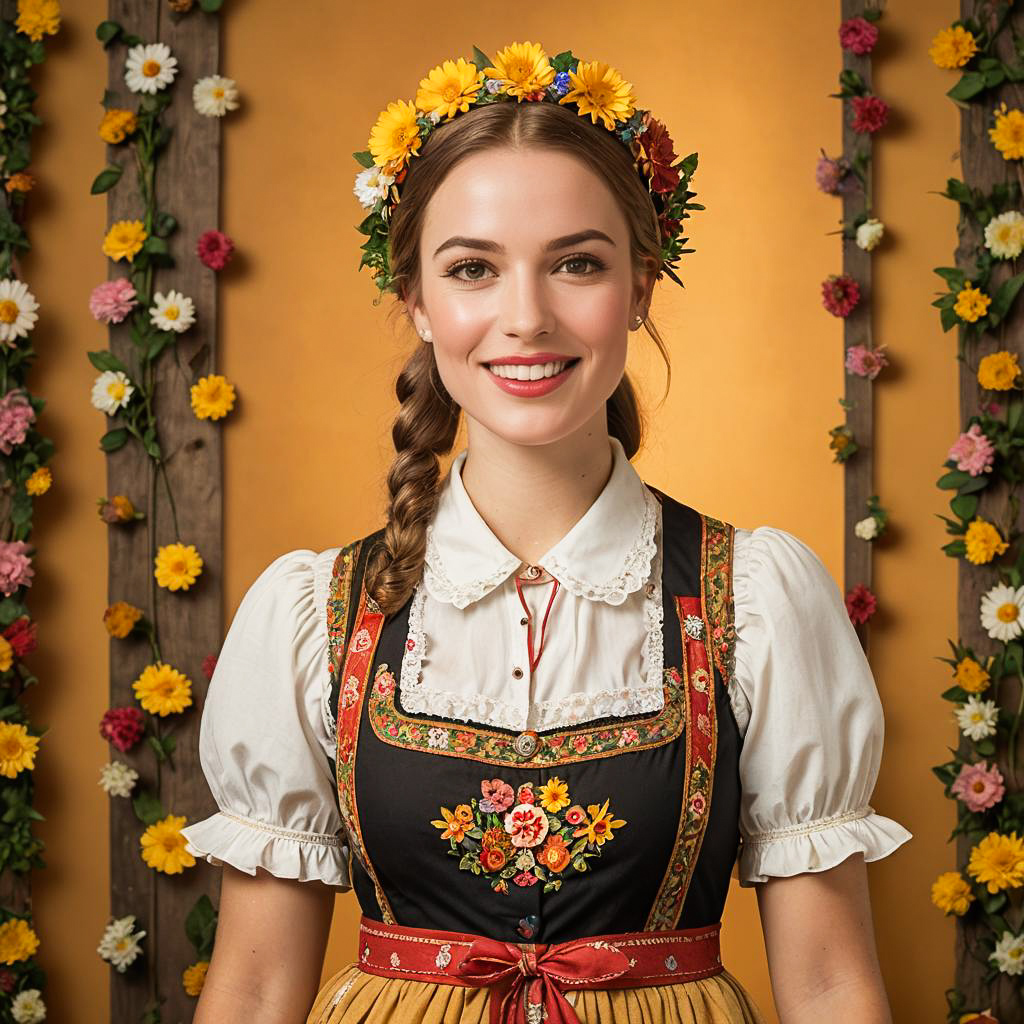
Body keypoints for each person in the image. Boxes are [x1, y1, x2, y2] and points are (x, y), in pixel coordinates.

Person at [181, 40, 913, 1024]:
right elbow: (258, 983)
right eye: (473, 268)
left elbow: (827, 985)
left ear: (641, 288)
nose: (524, 317)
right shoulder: (314, 615)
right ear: (418, 303)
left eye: (575, 263)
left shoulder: (758, 599)